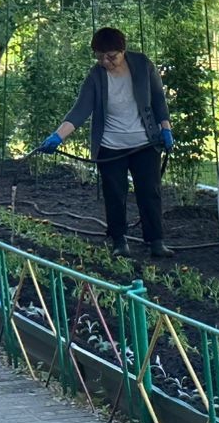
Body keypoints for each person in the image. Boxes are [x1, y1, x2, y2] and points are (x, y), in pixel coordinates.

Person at [38, 28, 175, 258]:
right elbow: (80, 110)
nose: (105, 62)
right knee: (114, 194)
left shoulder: (142, 65)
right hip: (110, 146)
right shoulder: (96, 76)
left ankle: (156, 241)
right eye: (100, 57)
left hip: (145, 144)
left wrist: (166, 129)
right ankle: (119, 241)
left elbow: (158, 100)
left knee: (149, 192)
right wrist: (58, 136)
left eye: (111, 56)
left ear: (123, 50)